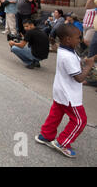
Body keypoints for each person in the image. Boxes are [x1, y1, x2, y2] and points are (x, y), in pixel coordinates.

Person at [35, 24, 96, 158]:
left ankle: (45, 135)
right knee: (80, 120)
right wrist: (89, 66)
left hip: (61, 90)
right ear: (68, 39)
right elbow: (79, 78)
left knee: (56, 113)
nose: (79, 40)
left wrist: (85, 62)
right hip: (69, 95)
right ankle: (62, 142)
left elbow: (75, 65)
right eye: (78, 38)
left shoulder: (67, 50)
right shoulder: (67, 56)